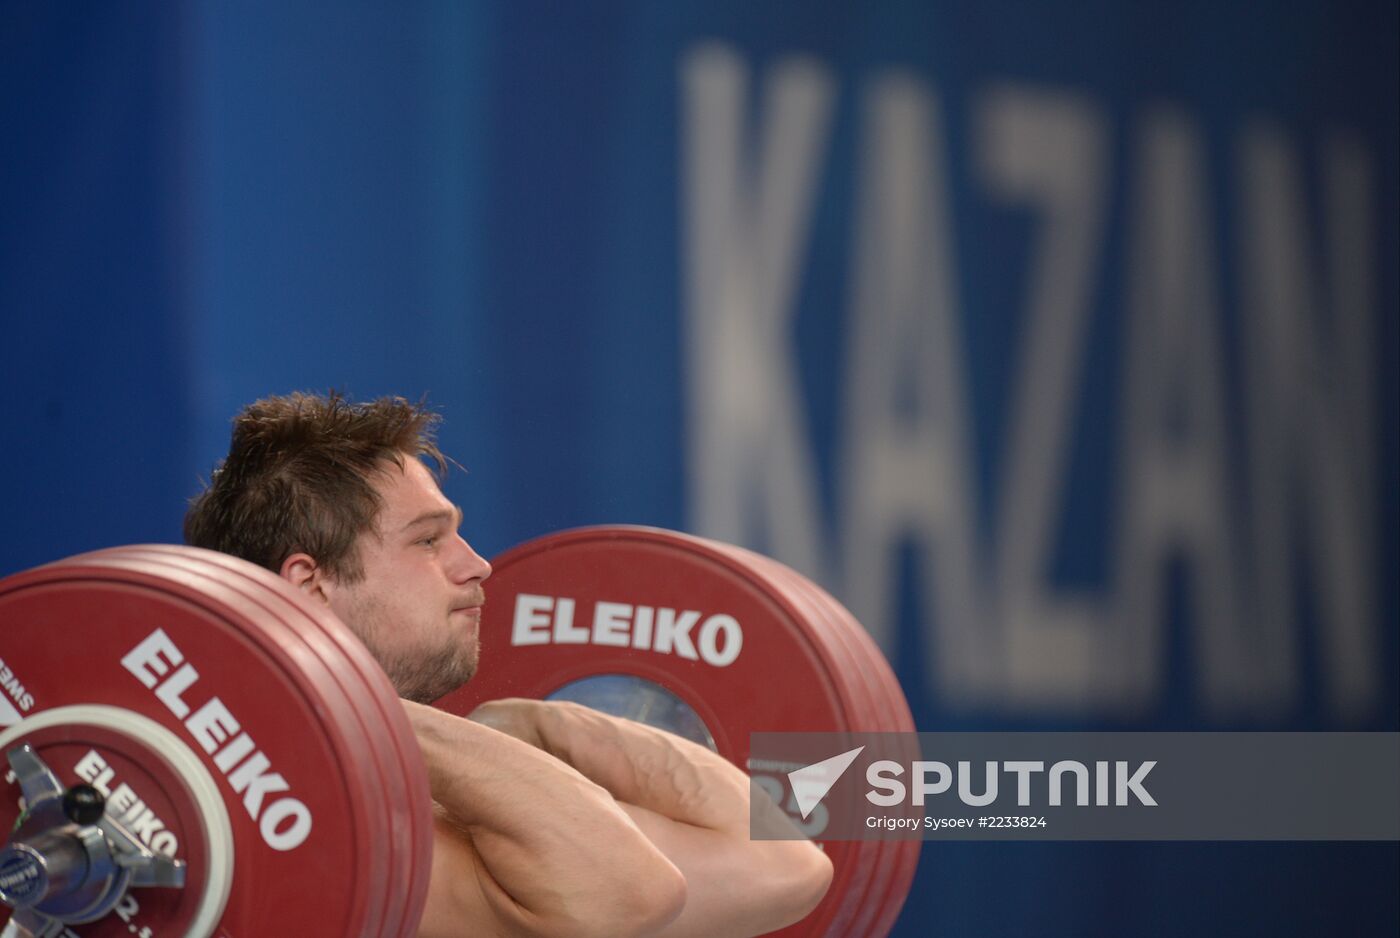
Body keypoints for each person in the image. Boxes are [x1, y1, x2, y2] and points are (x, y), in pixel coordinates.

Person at [184, 391, 833, 938]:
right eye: (429, 541)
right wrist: (347, 706)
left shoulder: (434, 797)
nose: (477, 564)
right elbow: (630, 893)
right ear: (309, 584)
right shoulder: (288, 811)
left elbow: (786, 864)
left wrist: (539, 725)